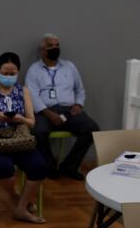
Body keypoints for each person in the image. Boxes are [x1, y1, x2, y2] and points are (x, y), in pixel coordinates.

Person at [0, 52, 47, 223]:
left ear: (18, 72)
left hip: (18, 140)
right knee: (5, 168)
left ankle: (21, 209)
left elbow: (32, 122)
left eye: (13, 74)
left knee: (39, 166)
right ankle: (15, 197)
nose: (8, 76)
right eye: (5, 73)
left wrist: (21, 119)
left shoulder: (23, 91)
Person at [24, 33, 99, 180]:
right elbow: (31, 95)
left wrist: (78, 104)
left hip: (69, 110)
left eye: (57, 45)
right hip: (44, 112)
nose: (55, 48)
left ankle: (69, 167)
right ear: (43, 50)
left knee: (92, 129)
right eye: (51, 46)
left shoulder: (69, 66)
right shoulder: (34, 69)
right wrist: (49, 114)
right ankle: (50, 167)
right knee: (38, 132)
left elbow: (80, 89)